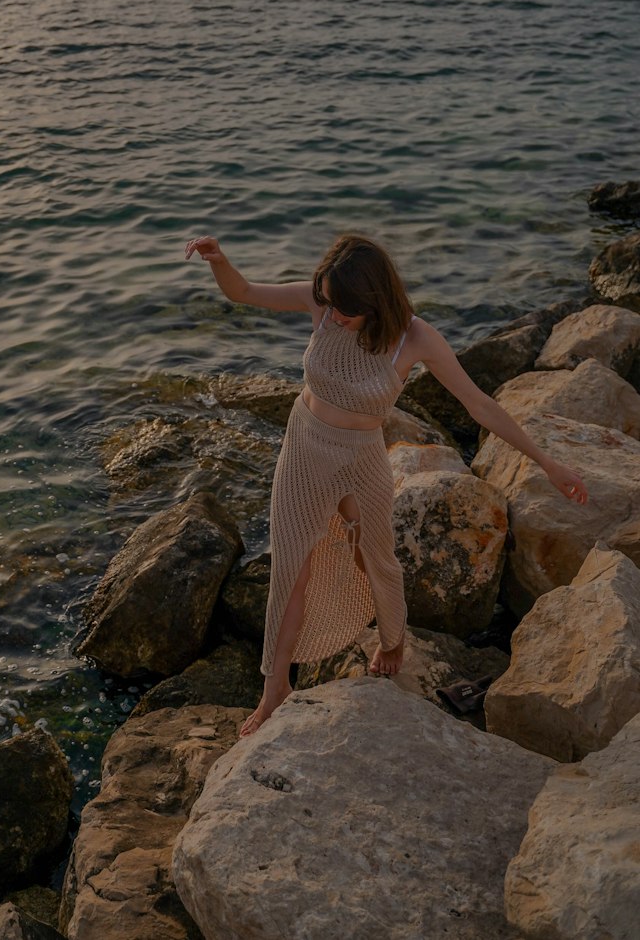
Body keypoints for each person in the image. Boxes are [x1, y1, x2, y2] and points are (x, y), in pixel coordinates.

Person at [183, 232, 588, 737]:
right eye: (326, 303)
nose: (330, 316)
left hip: (360, 457)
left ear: (373, 300)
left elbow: (479, 406)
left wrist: (549, 465)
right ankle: (274, 690)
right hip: (305, 446)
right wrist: (219, 261)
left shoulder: (415, 338)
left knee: (373, 555)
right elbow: (242, 291)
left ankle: (392, 639)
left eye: (343, 309)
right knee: (292, 564)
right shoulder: (322, 300)